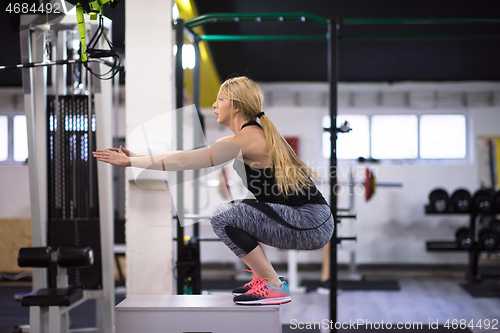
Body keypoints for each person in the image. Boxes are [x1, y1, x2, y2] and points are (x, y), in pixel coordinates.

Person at [93, 76, 334, 305]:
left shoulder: (247, 138)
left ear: (237, 106)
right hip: (312, 222)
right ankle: (266, 279)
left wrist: (133, 162)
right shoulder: (251, 136)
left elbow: (185, 161)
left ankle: (273, 284)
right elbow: (185, 157)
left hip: (310, 222)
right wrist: (139, 157)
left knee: (223, 215)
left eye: (220, 99)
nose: (214, 104)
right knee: (233, 215)